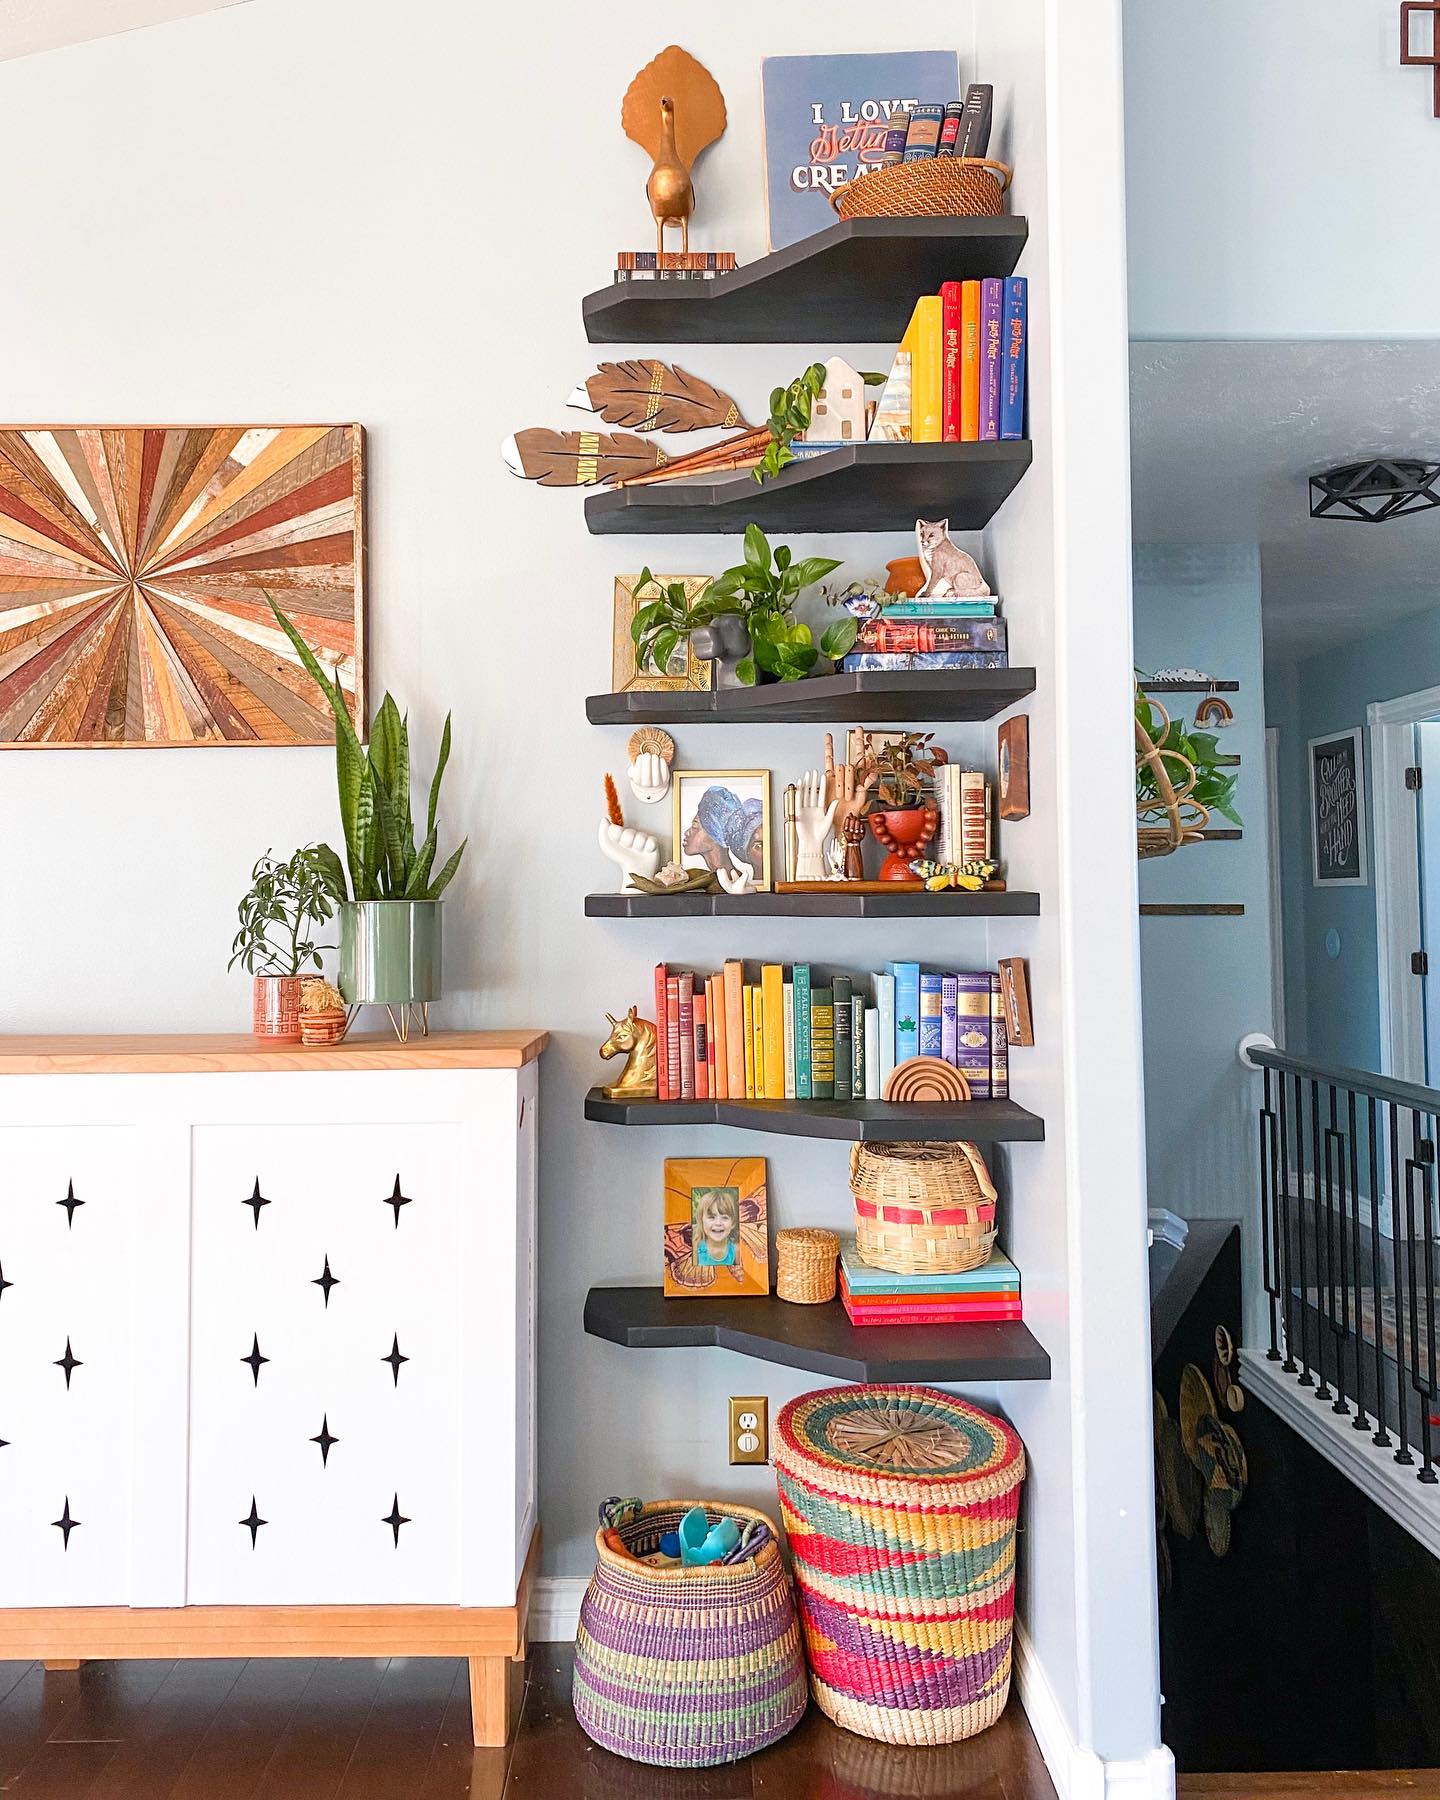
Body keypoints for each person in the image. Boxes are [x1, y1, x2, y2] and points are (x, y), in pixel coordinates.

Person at [693, 1187, 740, 1268]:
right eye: (711, 1217)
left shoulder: (736, 1250)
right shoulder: (695, 1248)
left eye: (725, 1218)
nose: (718, 1223)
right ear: (701, 1220)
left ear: (733, 1223)